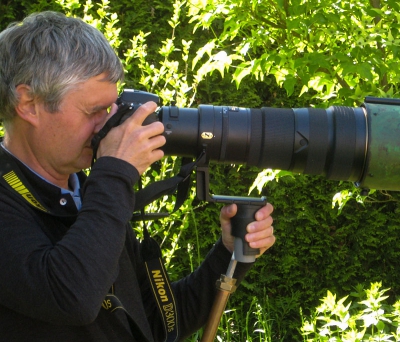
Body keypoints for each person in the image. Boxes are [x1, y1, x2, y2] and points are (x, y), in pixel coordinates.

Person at [0, 11, 275, 342]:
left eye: (112, 109)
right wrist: (115, 174)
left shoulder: (89, 193)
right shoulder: (80, 192)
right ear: (29, 104)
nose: (109, 124)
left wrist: (231, 252)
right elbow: (72, 297)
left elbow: (155, 324)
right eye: (93, 112)